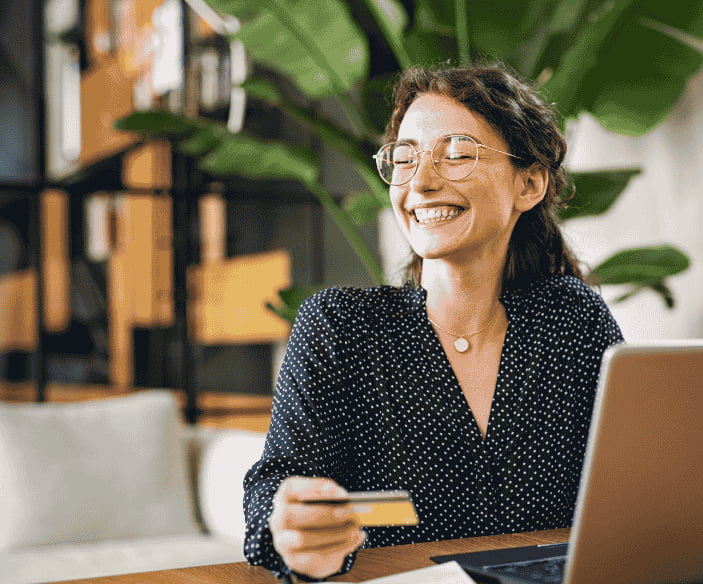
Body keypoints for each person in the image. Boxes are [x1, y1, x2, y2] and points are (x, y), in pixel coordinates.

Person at [243, 63, 624, 580]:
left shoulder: (572, 321)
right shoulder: (341, 327)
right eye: (405, 158)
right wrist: (289, 525)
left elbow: (635, 485)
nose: (421, 182)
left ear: (529, 183)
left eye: (458, 154)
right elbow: (275, 486)